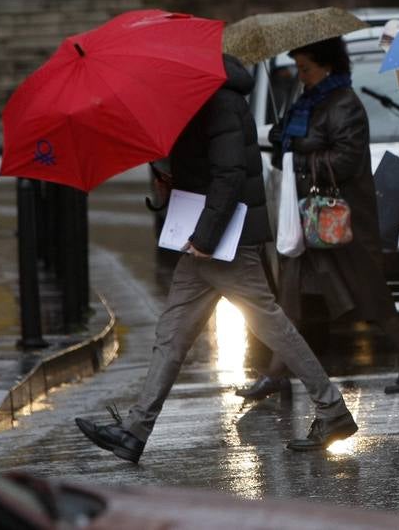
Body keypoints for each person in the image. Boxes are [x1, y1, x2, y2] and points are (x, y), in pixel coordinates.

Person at [75, 55, 357, 462]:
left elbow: (228, 174)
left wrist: (205, 238)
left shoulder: (221, 101)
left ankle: (332, 409)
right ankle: (135, 431)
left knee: (270, 326)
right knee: (172, 333)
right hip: (207, 240)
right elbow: (206, 169)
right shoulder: (197, 102)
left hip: (225, 240)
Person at [242, 36, 399, 402]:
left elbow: (345, 161)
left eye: (305, 68)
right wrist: (283, 141)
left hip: (342, 219)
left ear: (327, 66)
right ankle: (278, 373)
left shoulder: (346, 105)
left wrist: (300, 152)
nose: (300, 76)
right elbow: (289, 152)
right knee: (290, 298)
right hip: (308, 217)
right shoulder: (307, 102)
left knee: (372, 294)